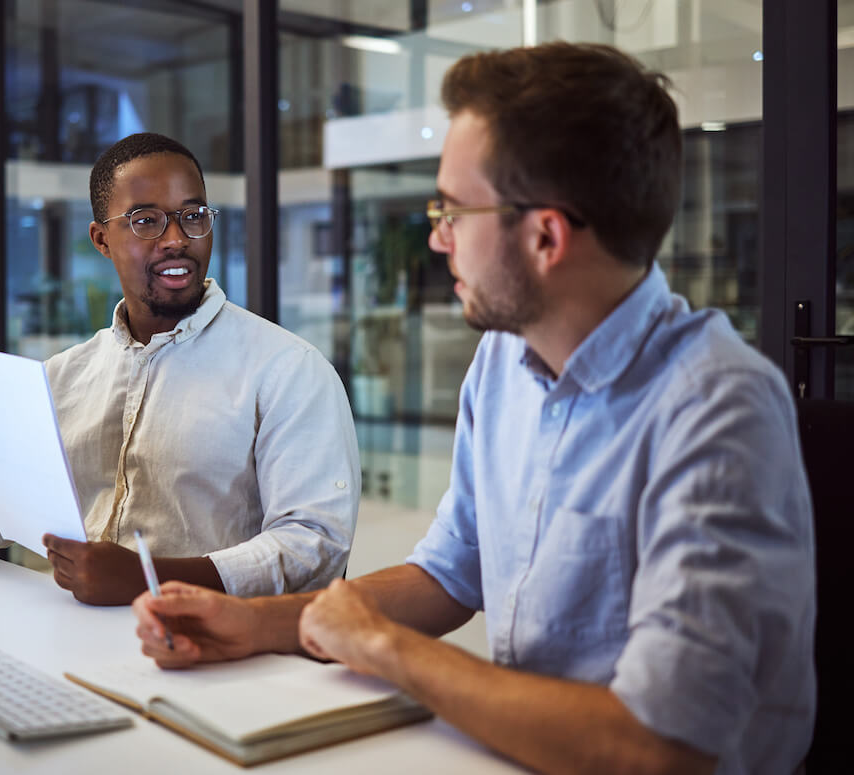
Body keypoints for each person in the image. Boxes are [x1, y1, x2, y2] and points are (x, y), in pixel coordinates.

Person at [133, 43, 815, 774]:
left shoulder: (717, 407)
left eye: (454, 210)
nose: (436, 237)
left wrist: (388, 649)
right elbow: (452, 571)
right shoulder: (504, 362)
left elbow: (655, 746)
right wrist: (253, 623)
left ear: (545, 235)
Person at [0, 133, 359, 605]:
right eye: (146, 221)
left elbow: (315, 548)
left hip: (222, 656)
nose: (176, 239)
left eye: (192, 216)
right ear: (101, 240)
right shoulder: (62, 378)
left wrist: (150, 578)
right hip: (75, 637)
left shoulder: (288, 370)